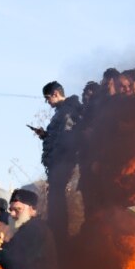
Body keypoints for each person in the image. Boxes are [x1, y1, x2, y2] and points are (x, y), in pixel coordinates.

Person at [37, 81, 82, 241]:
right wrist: (45, 135)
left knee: (57, 197)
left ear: (56, 94)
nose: (47, 102)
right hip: (57, 162)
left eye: (48, 98)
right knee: (55, 197)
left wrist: (55, 159)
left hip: (62, 163)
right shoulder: (62, 111)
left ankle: (58, 229)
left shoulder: (67, 111)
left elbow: (65, 138)